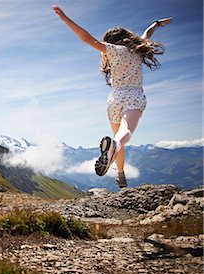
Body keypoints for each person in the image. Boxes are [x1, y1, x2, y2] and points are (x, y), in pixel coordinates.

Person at [52, 5, 172, 188]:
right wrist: (156, 23)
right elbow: (147, 34)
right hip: (133, 95)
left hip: (114, 99)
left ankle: (121, 175)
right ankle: (114, 147)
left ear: (111, 41)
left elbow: (87, 38)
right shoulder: (138, 48)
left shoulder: (112, 51)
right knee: (125, 133)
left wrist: (65, 18)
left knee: (119, 136)